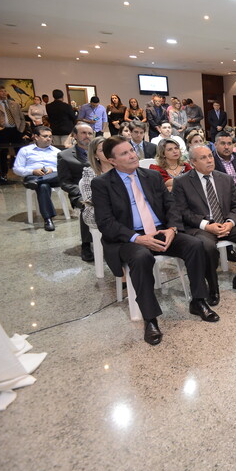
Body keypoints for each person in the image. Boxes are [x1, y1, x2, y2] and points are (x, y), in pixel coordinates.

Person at [92, 136, 217, 345]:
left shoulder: (151, 176)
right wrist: (138, 238)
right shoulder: (102, 184)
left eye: (131, 150)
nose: (132, 155)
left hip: (160, 230)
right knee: (141, 257)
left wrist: (172, 228)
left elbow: (171, 206)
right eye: (124, 153)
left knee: (195, 245)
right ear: (112, 161)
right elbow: (105, 222)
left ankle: (198, 300)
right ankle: (150, 319)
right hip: (129, 238)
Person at [173, 145, 236, 305]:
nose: (209, 160)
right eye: (203, 158)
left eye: (210, 156)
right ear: (193, 162)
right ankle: (212, 286)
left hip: (226, 222)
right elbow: (182, 212)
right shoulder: (182, 182)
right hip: (201, 226)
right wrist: (206, 225)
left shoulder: (225, 178)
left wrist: (230, 222)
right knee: (207, 247)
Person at [58, 123, 95, 261]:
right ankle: (86, 244)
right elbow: (65, 182)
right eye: (83, 133)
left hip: (100, 189)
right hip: (79, 193)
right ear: (74, 135)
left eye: (90, 133)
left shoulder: (99, 151)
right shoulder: (65, 156)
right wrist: (83, 193)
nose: (87, 136)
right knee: (87, 205)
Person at [13, 126, 61, 230]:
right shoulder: (25, 150)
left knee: (60, 174)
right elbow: (17, 169)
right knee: (43, 186)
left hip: (53, 176)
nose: (49, 139)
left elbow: (63, 168)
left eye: (50, 136)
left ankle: (37, 181)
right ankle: (48, 219)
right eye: (45, 136)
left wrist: (52, 169)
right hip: (33, 175)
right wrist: (33, 171)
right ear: (36, 137)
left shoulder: (56, 151)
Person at [0, 84, 26, 183]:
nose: (4, 93)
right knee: (3, 153)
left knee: (20, 152)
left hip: (16, 130)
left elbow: (22, 118)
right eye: (1, 91)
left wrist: (21, 130)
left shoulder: (14, 104)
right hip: (2, 131)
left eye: (5, 91)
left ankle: (23, 173)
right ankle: (3, 175)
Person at [79, 136, 112, 231]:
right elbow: (89, 199)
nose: (107, 152)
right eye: (102, 150)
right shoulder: (89, 172)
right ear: (95, 155)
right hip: (96, 209)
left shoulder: (121, 167)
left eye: (108, 148)